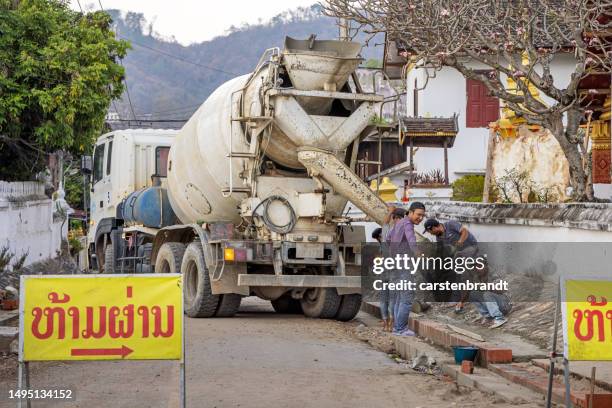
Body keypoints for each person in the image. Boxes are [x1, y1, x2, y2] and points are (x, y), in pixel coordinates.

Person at [424, 218, 478, 314]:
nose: (430, 234)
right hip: (457, 254)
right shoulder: (438, 237)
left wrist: (460, 242)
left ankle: (456, 298)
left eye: (430, 231)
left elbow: (464, 231)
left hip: (470, 247)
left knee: (457, 265)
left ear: (433, 227)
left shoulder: (451, 224)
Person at [387, 202, 426, 336]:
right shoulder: (408, 224)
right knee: (406, 298)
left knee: (399, 297)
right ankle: (400, 329)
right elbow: (411, 239)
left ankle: (397, 327)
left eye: (422, 216)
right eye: (418, 214)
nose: (420, 218)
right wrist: (416, 252)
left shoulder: (398, 223)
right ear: (410, 212)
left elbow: (387, 238)